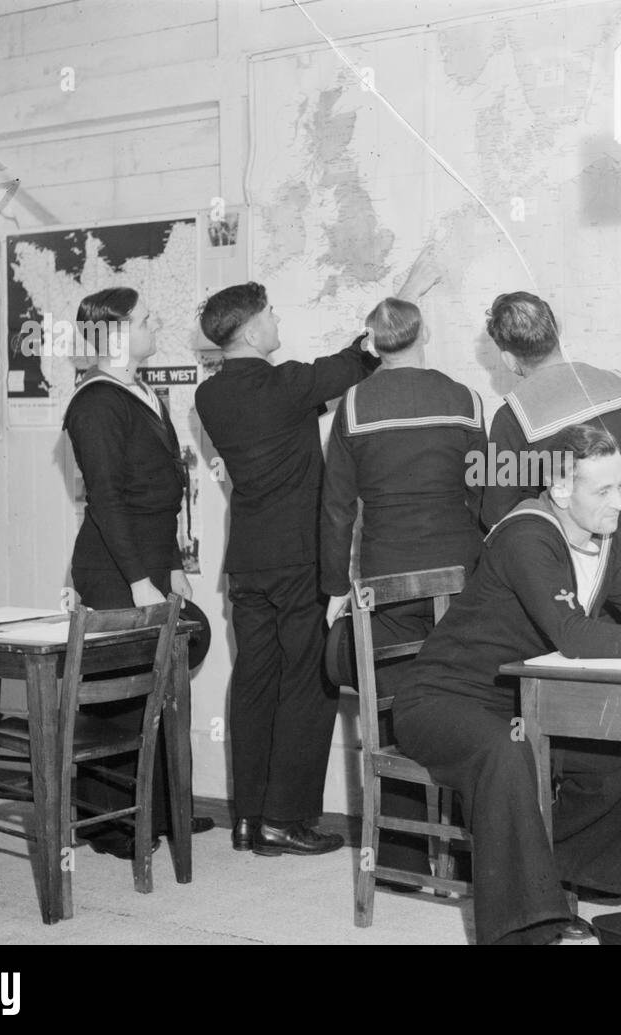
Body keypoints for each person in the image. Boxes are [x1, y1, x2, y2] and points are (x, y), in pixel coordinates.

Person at [393, 424, 621, 945]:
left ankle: (546, 881)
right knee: (506, 752)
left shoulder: (607, 538)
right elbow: (575, 636)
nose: (619, 502)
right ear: (561, 489)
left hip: (524, 703)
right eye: (603, 491)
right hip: (444, 698)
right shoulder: (527, 534)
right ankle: (529, 927)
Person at [195, 282, 378, 858]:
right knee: (308, 681)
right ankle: (286, 819)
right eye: (272, 314)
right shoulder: (286, 383)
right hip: (299, 558)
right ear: (250, 331)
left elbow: (302, 400)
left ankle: (247, 818)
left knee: (253, 681)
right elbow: (353, 365)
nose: (279, 321)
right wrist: (372, 340)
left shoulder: (210, 396)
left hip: (247, 563)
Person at [320, 296, 486, 881]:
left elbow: (337, 505)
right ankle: (467, 860)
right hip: (462, 575)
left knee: (393, 712)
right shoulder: (466, 399)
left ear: (372, 342)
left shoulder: (356, 403)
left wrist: (333, 586)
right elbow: (482, 495)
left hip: (386, 577)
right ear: (425, 331)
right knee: (467, 705)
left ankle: (399, 858)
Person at [62, 286, 213, 860]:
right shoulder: (94, 402)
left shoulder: (143, 391)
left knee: (160, 687)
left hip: (150, 558)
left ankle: (160, 808)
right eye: (146, 318)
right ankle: (110, 824)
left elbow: (164, 492)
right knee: (120, 697)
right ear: (116, 333)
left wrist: (171, 566)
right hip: (113, 568)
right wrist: (137, 581)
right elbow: (105, 499)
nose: (157, 323)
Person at [480, 291, 621, 541]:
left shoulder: (513, 417)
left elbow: (497, 515)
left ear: (508, 360)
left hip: (565, 563)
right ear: (556, 331)